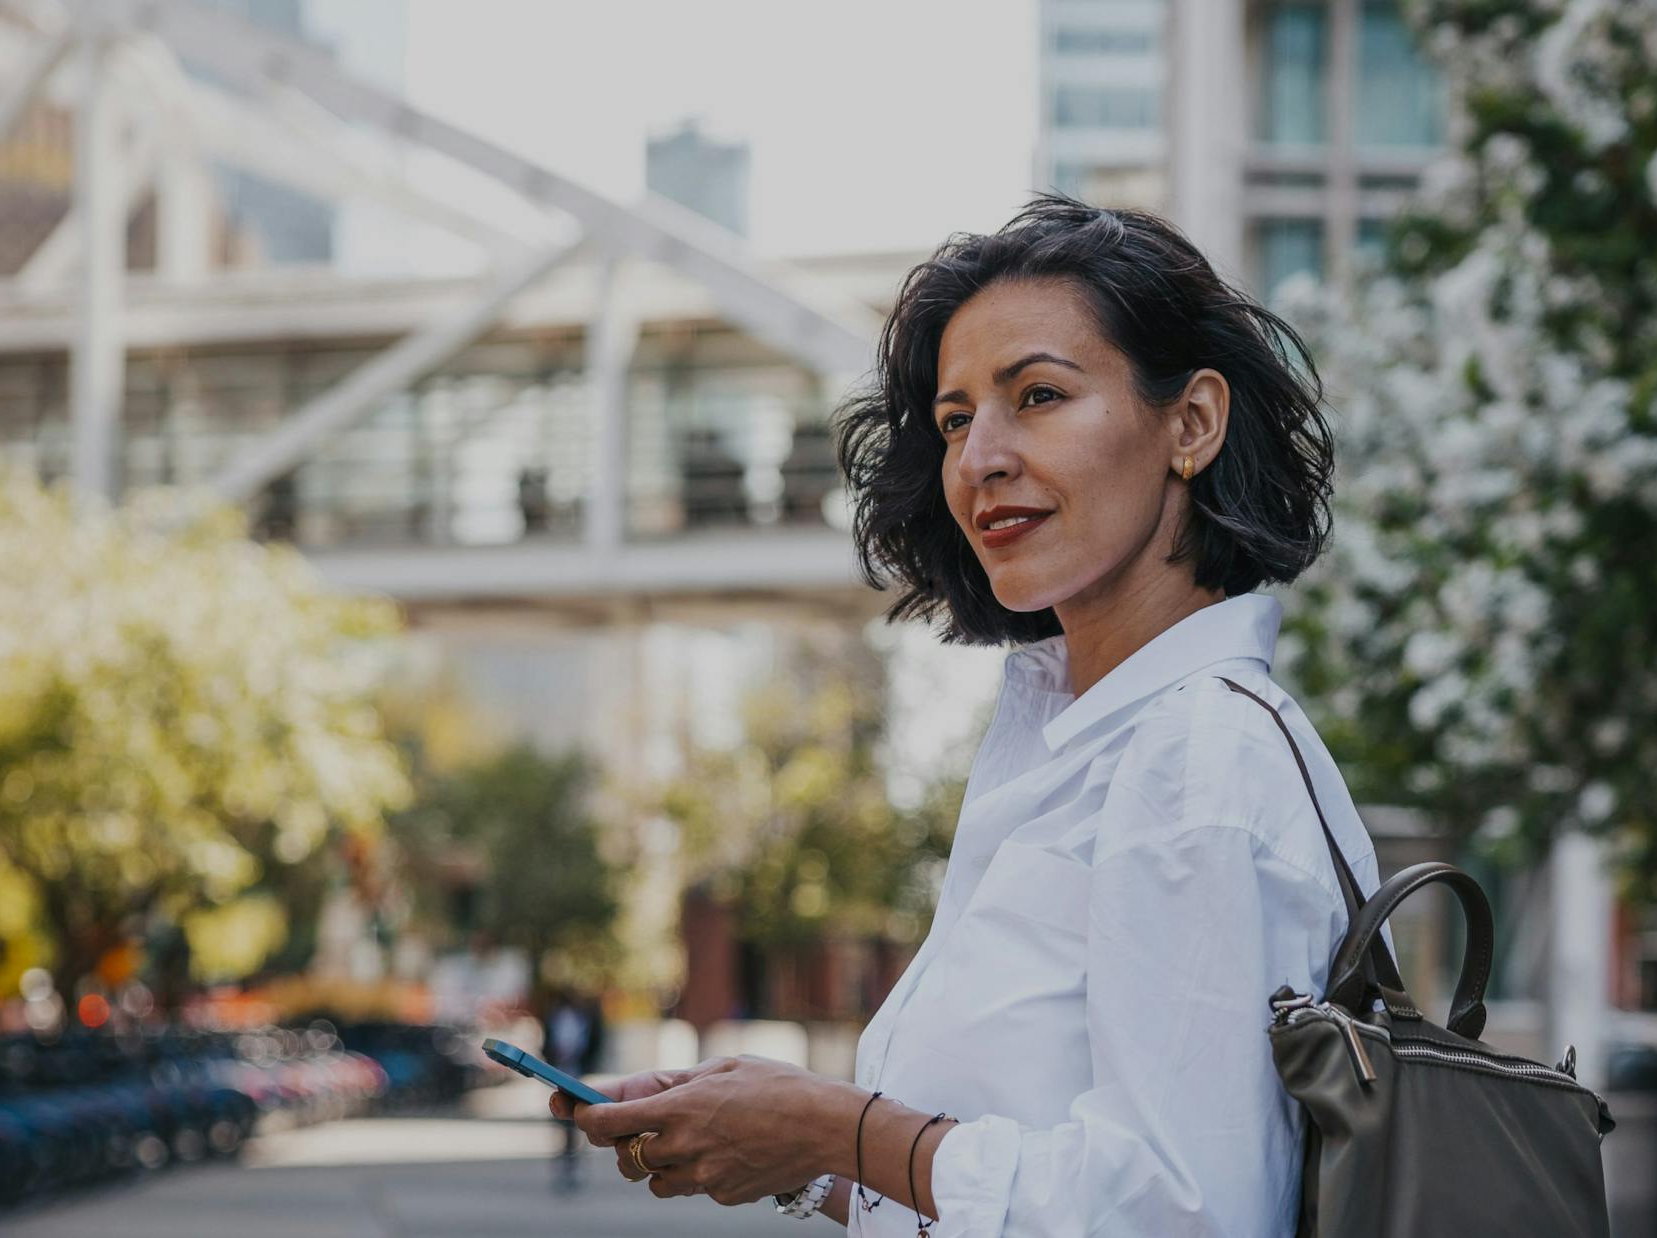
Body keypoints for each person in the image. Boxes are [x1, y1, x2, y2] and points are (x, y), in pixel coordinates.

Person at [552, 195, 1383, 1235]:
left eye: (1037, 394)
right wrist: (790, 1150)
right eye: (954, 420)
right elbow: (1034, 1172)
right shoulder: (1069, 741)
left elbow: (1187, 1211)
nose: (979, 457)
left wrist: (836, 1127)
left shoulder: (1193, 755)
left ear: (1192, 422)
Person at [541, 988, 607, 1194]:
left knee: (578, 1121)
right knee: (562, 1121)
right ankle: (566, 1164)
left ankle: (575, 1164)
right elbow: (547, 1043)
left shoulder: (586, 1018)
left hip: (578, 1074)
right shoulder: (554, 1017)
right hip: (558, 1073)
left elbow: (595, 1044)